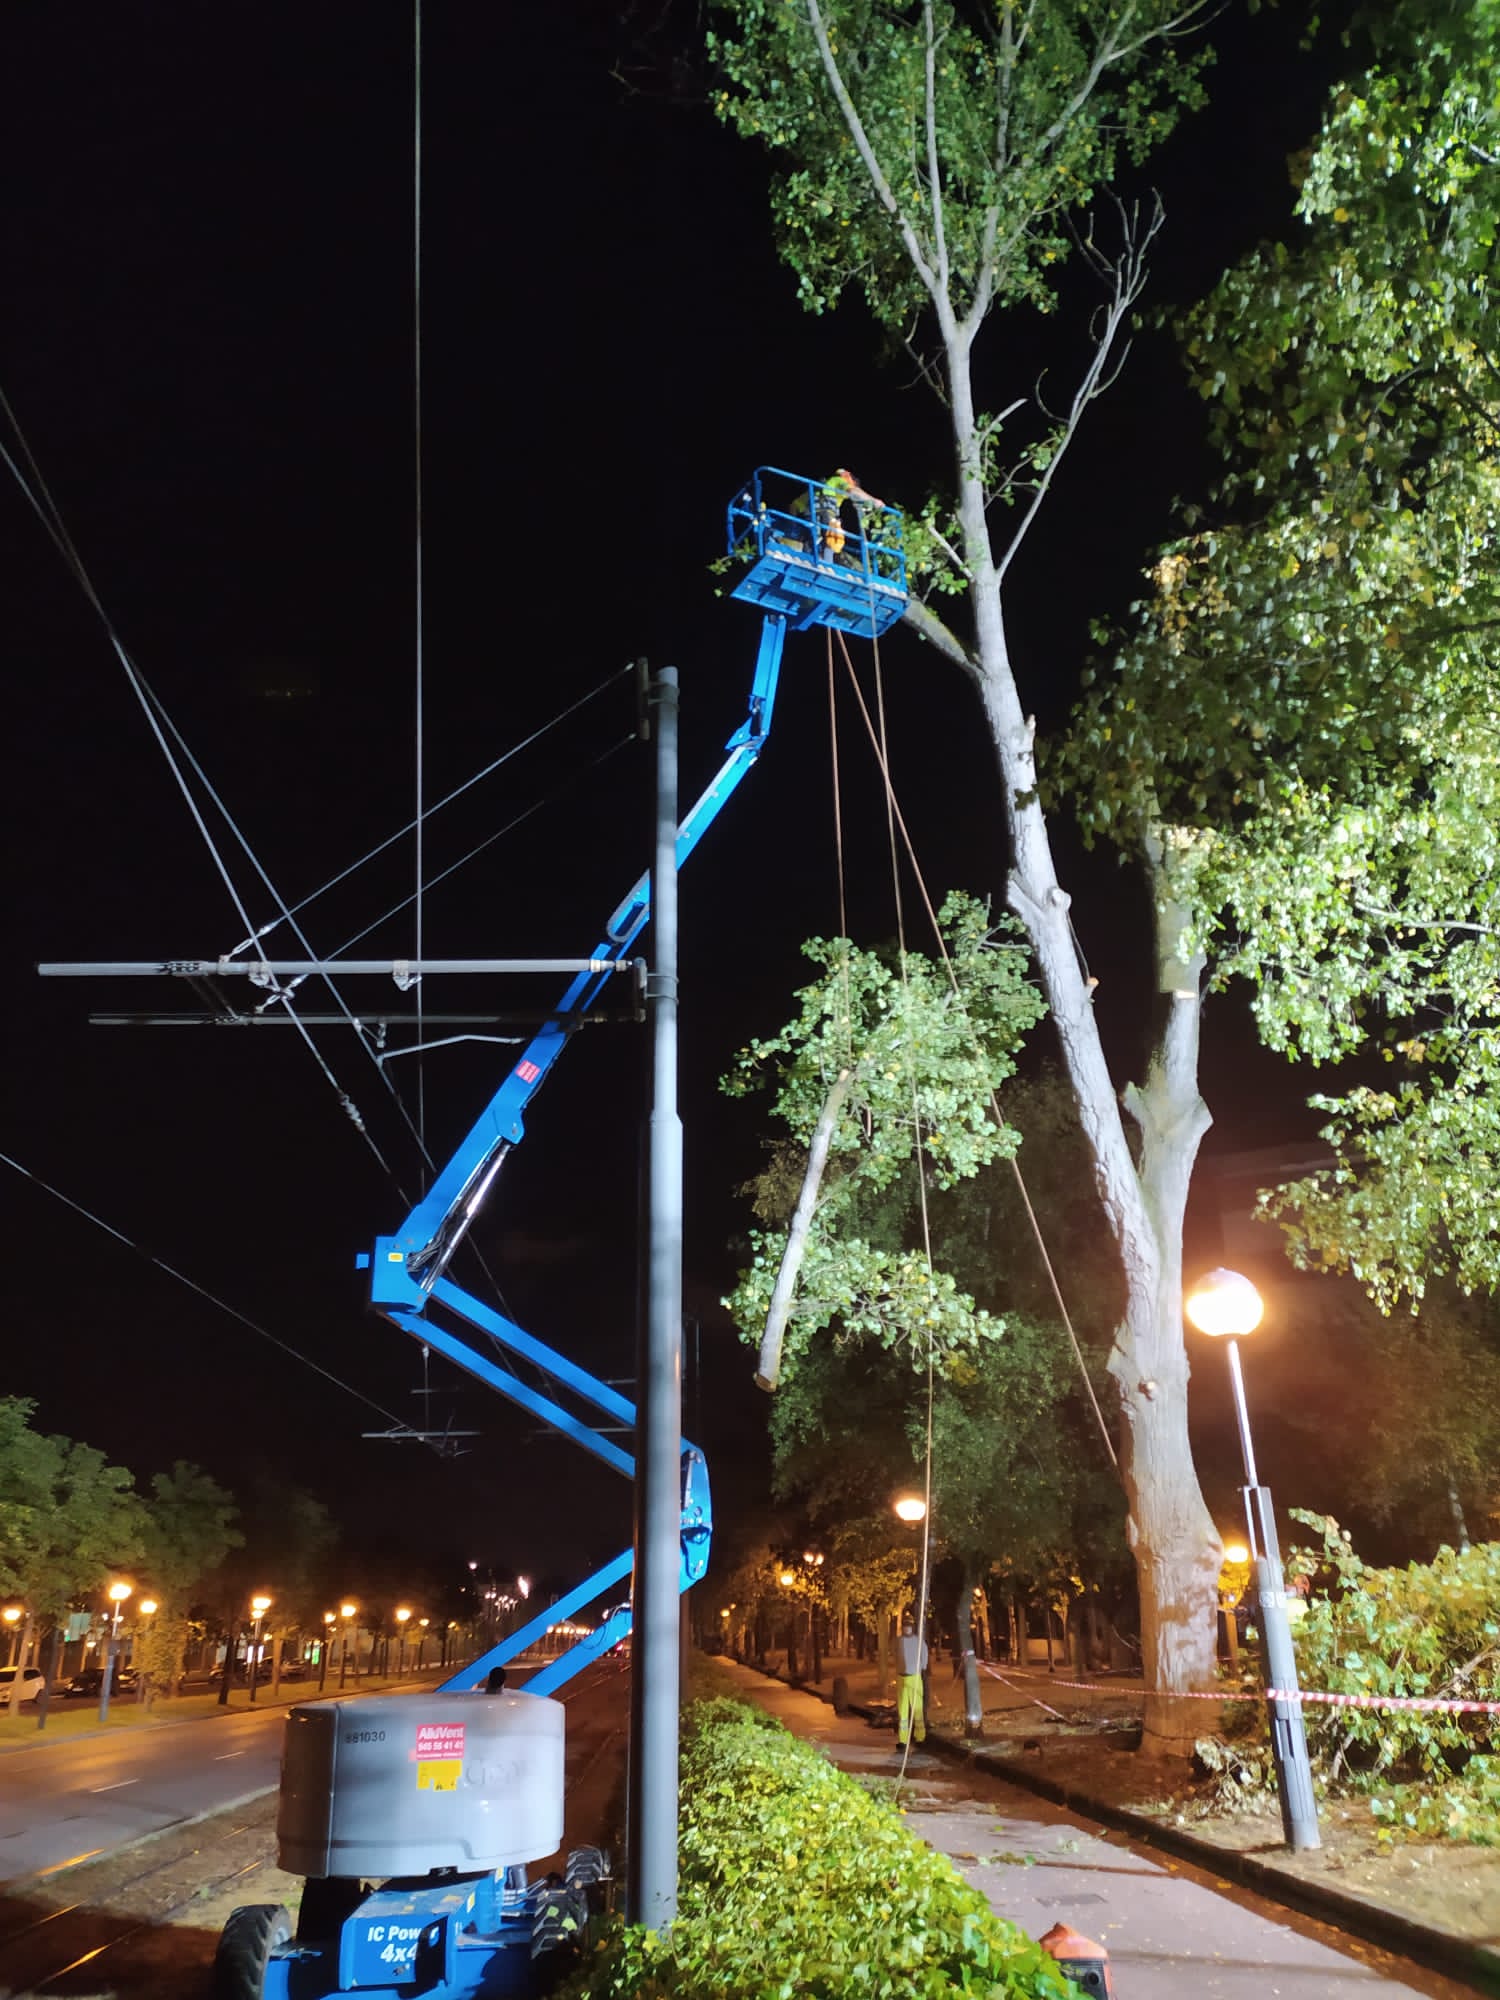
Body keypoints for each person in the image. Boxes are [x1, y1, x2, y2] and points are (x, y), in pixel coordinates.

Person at [816, 467, 885, 560]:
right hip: (824, 510)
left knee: (822, 537)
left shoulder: (832, 486)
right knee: (833, 538)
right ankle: (827, 565)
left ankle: (822, 560)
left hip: (817, 510)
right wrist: (874, 500)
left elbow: (854, 497)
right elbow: (853, 491)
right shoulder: (839, 480)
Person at [895, 1617, 928, 1749]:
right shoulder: (898, 1641)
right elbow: (895, 1654)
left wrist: (921, 1667)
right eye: (905, 1626)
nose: (906, 1628)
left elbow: (924, 1656)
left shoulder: (919, 1642)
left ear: (912, 1628)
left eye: (909, 1626)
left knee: (917, 1708)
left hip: (914, 1677)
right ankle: (903, 1740)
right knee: (902, 1712)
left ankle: (920, 1737)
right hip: (901, 1678)